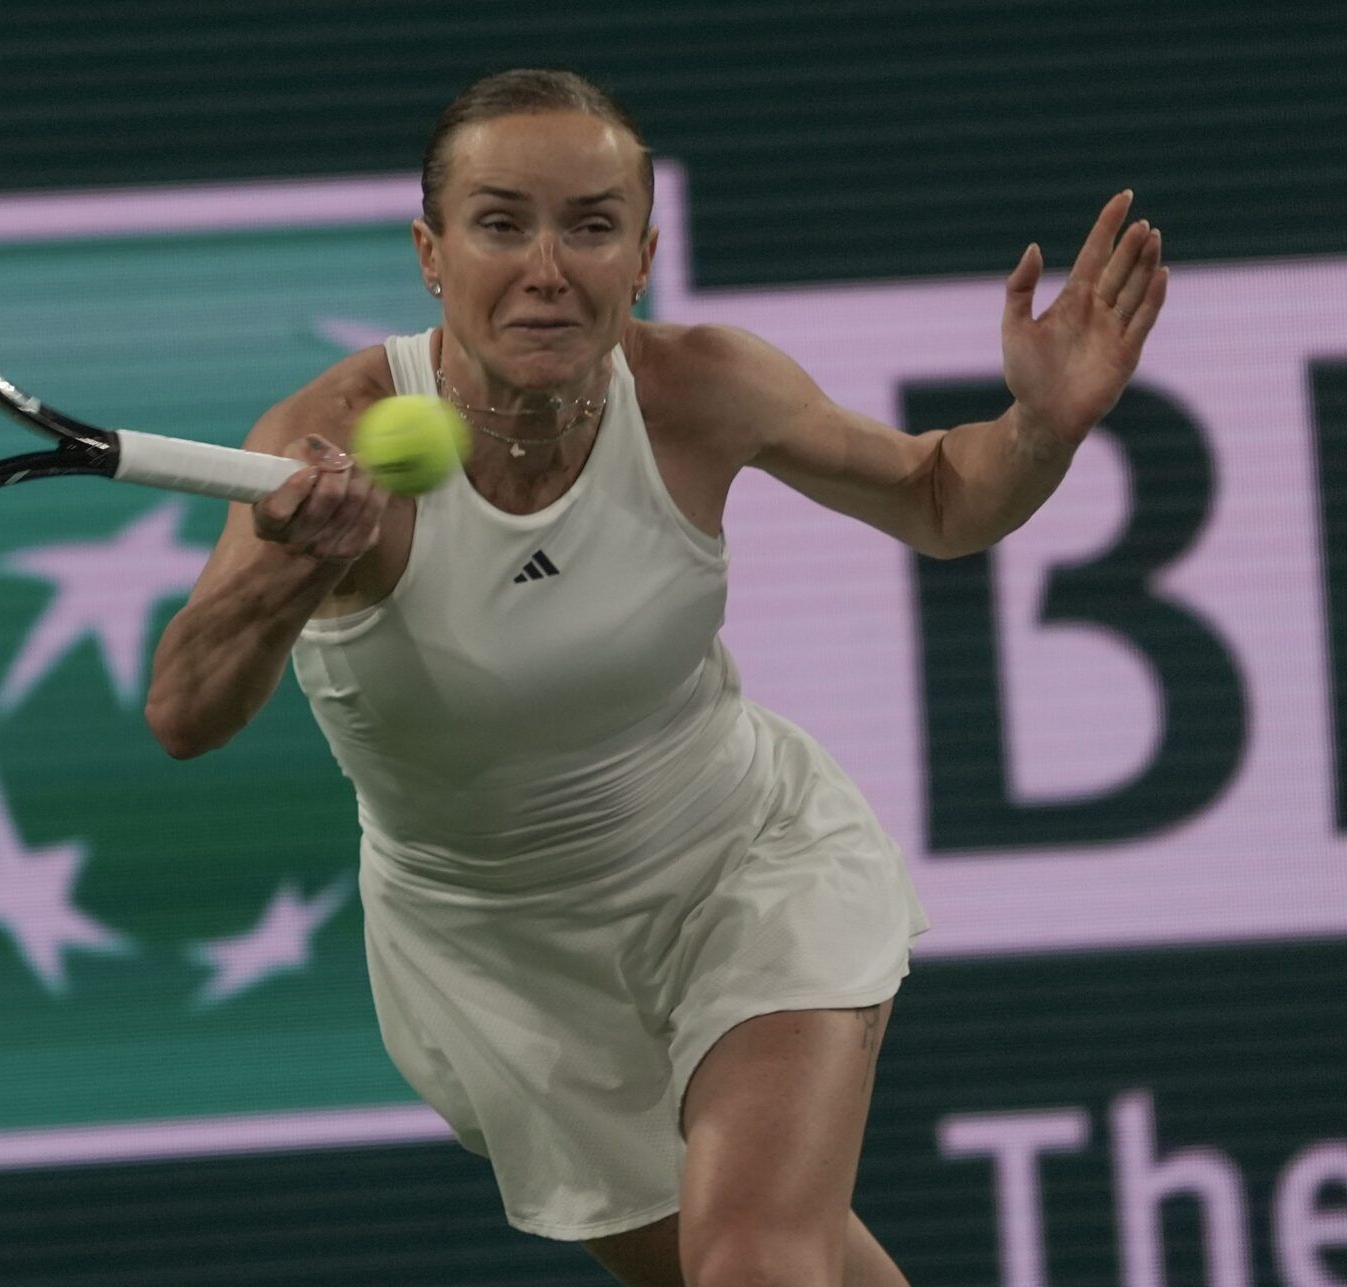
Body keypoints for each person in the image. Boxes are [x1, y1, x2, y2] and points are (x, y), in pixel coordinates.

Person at [144, 68, 1166, 1287]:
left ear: (642, 256)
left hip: (741, 868)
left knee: (755, 1264)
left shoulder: (699, 386)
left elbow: (943, 498)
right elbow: (184, 714)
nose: (547, 268)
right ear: (430, 253)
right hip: (496, 965)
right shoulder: (326, 436)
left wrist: (1040, 427)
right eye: (500, 223)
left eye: (590, 226)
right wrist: (291, 572)